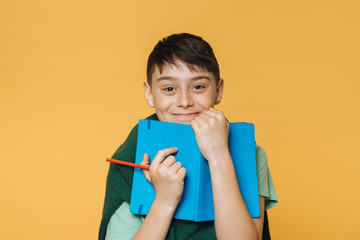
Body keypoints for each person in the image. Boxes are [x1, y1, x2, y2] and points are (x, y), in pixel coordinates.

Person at [99, 33, 278, 240]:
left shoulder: (252, 153)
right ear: (149, 94)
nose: (184, 101)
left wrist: (219, 156)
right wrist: (164, 201)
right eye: (169, 88)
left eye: (198, 87)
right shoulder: (130, 158)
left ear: (218, 90)